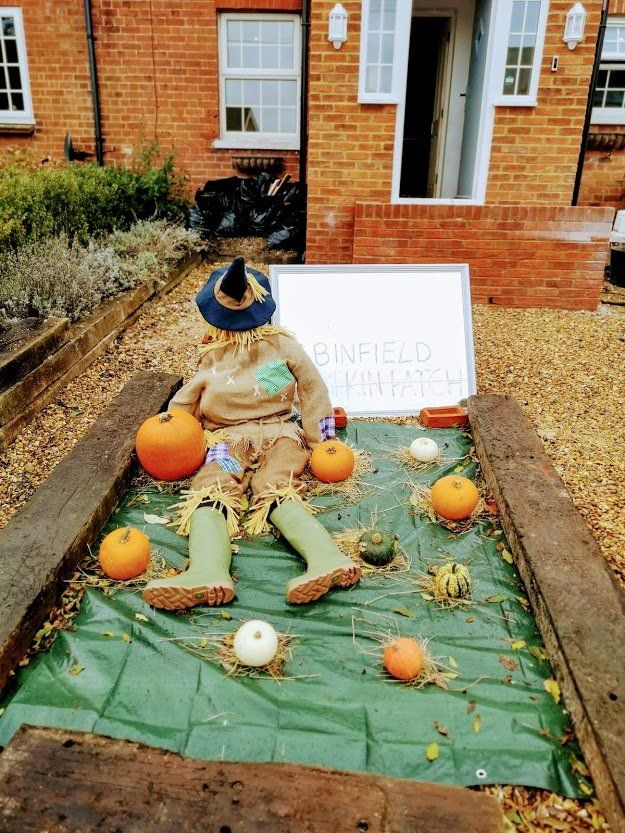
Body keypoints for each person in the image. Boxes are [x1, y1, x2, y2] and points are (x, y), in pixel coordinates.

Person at [143, 257, 360, 611]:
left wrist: (173, 439)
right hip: (281, 435)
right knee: (276, 487)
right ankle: (325, 558)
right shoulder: (280, 345)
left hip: (229, 441)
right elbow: (312, 389)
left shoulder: (212, 355)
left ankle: (208, 569)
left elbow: (184, 405)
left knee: (213, 486)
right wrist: (323, 442)